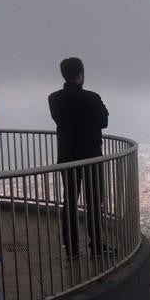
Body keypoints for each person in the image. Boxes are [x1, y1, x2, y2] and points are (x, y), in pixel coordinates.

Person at [49, 57, 111, 258]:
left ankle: (72, 249)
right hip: (91, 157)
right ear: (81, 74)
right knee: (94, 203)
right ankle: (96, 247)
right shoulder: (92, 98)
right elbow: (104, 121)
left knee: (69, 203)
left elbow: (60, 120)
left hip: (67, 157)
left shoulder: (54, 99)